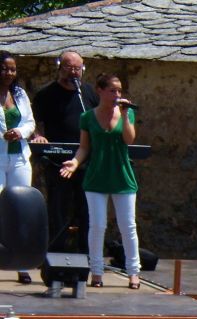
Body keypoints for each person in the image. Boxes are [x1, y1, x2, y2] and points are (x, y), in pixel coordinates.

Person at [59, 73, 140, 289]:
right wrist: (75, 164)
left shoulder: (127, 113)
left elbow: (129, 139)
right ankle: (96, 272)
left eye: (119, 91)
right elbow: (84, 147)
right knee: (97, 225)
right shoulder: (87, 117)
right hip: (96, 177)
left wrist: (124, 115)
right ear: (100, 91)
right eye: (112, 90)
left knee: (128, 226)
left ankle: (133, 273)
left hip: (122, 177)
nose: (117, 95)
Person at [31, 50, 99, 253]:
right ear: (59, 67)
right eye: (69, 68)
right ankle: (56, 254)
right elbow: (34, 122)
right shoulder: (46, 94)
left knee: (86, 210)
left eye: (77, 68)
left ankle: (86, 254)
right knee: (58, 210)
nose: (73, 72)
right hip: (57, 162)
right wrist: (38, 135)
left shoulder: (88, 93)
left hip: (85, 161)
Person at [0, 50, 36, 284]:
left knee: (21, 210)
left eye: (12, 69)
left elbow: (30, 122)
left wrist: (20, 132)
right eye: (4, 68)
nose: (9, 73)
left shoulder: (20, 94)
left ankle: (21, 264)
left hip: (20, 158)